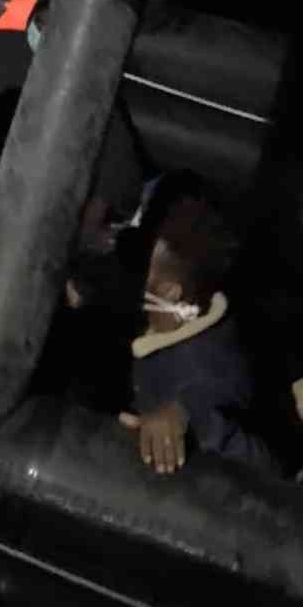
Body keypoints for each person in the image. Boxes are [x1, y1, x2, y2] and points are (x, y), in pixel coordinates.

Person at [67, 177, 278, 476]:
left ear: (170, 293)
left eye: (144, 269)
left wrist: (182, 415)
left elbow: (219, 389)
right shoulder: (190, 303)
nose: (138, 280)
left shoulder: (201, 365)